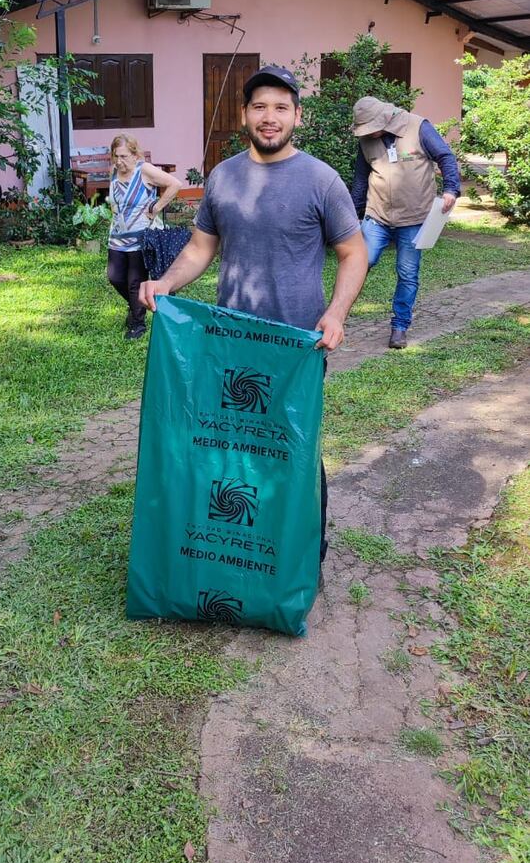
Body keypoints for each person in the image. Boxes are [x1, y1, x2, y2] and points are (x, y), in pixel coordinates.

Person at [140, 64, 367, 569]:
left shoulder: (321, 180)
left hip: (296, 347)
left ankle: (304, 552)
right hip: (230, 343)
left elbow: (354, 252)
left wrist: (335, 313)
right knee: (232, 445)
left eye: (280, 108)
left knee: (294, 448)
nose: (270, 117)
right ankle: (240, 549)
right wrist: (165, 283)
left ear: (297, 117)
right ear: (244, 114)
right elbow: (201, 248)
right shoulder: (223, 177)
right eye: (260, 107)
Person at [350, 96, 461, 349]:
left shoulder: (418, 126)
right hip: (377, 215)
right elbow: (360, 180)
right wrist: (351, 216)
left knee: (407, 273)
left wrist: (451, 189)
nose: (368, 133)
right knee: (359, 262)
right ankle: (336, 315)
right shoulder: (366, 141)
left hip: (414, 217)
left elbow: (445, 156)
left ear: (383, 119)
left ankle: (399, 327)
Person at [107, 135, 182, 339]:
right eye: (115, 156)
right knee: (114, 277)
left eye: (123, 156)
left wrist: (156, 207)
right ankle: (135, 305)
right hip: (117, 237)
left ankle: (137, 324)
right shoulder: (114, 171)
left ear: (134, 154)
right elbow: (114, 200)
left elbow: (175, 184)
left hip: (141, 237)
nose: (119, 161)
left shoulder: (144, 170)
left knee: (134, 281)